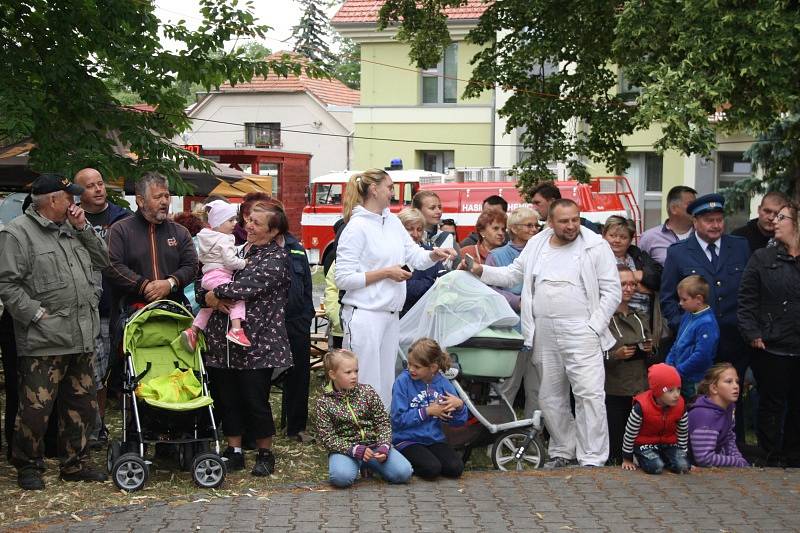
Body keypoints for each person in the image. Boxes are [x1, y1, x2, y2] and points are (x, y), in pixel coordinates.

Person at [470, 199, 621, 468]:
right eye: (564, 221)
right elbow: (513, 274)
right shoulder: (538, 243)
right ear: (550, 222)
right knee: (550, 395)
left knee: (589, 393)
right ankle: (563, 449)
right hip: (543, 330)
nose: (571, 225)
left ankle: (593, 458)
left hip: (582, 329)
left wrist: (594, 326)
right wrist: (480, 270)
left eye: (575, 219)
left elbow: (612, 291)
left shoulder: (596, 245)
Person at [0, 174, 110, 490]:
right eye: (69, 196)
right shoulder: (17, 234)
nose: (75, 202)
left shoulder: (73, 229)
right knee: (36, 408)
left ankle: (75, 464)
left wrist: (83, 228)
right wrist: (34, 314)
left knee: (82, 405)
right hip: (44, 339)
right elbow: (7, 283)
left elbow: (102, 260)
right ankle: (28, 466)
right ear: (52, 200)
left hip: (80, 333)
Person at [335, 170, 455, 407]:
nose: (393, 193)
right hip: (364, 313)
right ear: (374, 190)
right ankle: (358, 440)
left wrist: (434, 254)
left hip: (391, 315)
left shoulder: (391, 221)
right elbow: (343, 279)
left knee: (385, 382)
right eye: (390, 187)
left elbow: (414, 256)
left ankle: (381, 440)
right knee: (364, 383)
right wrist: (386, 273)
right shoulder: (356, 227)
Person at [201, 201, 293, 476]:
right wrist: (207, 293)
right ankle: (234, 451)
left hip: (257, 343)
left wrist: (212, 294)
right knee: (227, 399)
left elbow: (243, 288)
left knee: (256, 401)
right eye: (248, 220)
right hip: (223, 343)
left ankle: (265, 453)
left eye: (256, 223)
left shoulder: (276, 259)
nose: (248, 226)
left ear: (273, 230)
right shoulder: (238, 250)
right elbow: (203, 276)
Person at [660, 193, 750, 441]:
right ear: (695, 222)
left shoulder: (739, 246)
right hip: (695, 344)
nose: (716, 225)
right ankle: (694, 446)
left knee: (732, 395)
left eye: (719, 219)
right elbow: (668, 298)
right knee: (696, 395)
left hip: (733, 340)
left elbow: (749, 291)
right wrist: (686, 327)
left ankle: (733, 446)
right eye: (709, 220)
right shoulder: (679, 252)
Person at [737, 200, 800, 467]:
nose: (775, 221)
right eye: (773, 216)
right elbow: (747, 299)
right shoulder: (763, 257)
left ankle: (794, 453)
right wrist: (752, 332)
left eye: (782, 217)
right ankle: (770, 453)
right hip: (771, 345)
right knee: (770, 403)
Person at [105, 172, 198, 344]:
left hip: (173, 318)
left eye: (167, 195)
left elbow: (191, 266)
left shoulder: (180, 232)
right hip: (130, 319)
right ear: (140, 201)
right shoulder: (120, 230)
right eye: (157, 197)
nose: (164, 201)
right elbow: (111, 265)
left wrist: (170, 283)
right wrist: (143, 285)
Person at [74, 167, 131, 448]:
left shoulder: (121, 218)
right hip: (81, 308)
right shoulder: (69, 218)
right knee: (89, 373)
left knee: (109, 370)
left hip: (112, 305)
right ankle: (91, 427)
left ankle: (109, 427)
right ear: (78, 193)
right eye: (90, 186)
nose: (98, 189)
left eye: (100, 184)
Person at [315, 349, 413, 488]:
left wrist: (384, 445)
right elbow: (327, 437)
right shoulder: (323, 402)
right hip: (347, 451)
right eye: (348, 372)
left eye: (356, 371)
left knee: (404, 473)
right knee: (340, 478)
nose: (354, 376)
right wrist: (354, 450)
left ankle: (371, 466)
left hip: (375, 448)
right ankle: (354, 466)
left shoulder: (367, 392)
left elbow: (383, 422)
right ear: (332, 374)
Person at [487, 207, 541, 418]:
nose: (535, 229)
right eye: (529, 225)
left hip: (538, 329)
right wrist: (518, 302)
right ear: (514, 229)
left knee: (537, 388)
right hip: (512, 330)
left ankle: (532, 434)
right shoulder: (497, 256)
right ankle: (499, 433)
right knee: (506, 386)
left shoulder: (544, 252)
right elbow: (491, 289)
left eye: (537, 225)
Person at [391, 338, 467, 480]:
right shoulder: (402, 382)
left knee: (455, 468)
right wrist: (427, 411)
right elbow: (397, 420)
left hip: (434, 440)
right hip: (407, 441)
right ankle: (400, 461)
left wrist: (459, 406)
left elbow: (458, 422)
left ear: (432, 368)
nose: (411, 369)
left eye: (417, 367)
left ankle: (428, 460)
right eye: (409, 364)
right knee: (431, 469)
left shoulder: (444, 384)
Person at [182, 201, 250, 350]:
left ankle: (193, 331)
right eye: (230, 220)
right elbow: (230, 261)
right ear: (219, 222)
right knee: (237, 298)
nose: (235, 223)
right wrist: (244, 263)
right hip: (220, 275)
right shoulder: (225, 239)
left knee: (208, 307)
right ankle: (237, 330)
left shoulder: (208, 238)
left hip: (208, 277)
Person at [604, 265, 651, 464]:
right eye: (623, 284)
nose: (629, 288)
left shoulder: (639, 316)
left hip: (639, 386)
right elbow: (592, 356)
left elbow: (650, 343)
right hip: (614, 388)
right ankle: (615, 458)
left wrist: (649, 348)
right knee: (616, 435)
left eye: (633, 284)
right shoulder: (603, 317)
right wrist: (616, 355)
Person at [620, 363, 689, 475]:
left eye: (679, 389)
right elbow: (630, 433)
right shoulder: (641, 407)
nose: (677, 395)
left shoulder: (680, 406)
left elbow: (683, 432)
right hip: (644, 444)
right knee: (656, 467)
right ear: (657, 392)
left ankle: (666, 459)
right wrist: (627, 458)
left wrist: (683, 454)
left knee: (683, 466)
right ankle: (642, 458)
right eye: (670, 390)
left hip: (669, 444)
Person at [665, 275, 719, 400]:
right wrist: (669, 365)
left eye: (684, 299)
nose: (680, 303)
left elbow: (702, 355)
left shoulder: (707, 323)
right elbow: (677, 343)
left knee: (693, 410)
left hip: (694, 380)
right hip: (680, 376)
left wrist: (679, 371)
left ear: (699, 299)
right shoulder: (688, 314)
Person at [688, 363, 749, 467]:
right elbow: (704, 458)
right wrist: (736, 462)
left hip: (717, 457)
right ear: (714, 388)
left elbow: (728, 439)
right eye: (729, 382)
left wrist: (741, 462)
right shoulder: (704, 415)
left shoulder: (729, 407)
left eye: (737, 382)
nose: (736, 386)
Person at [602, 215, 662, 319]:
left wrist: (640, 276)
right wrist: (632, 284)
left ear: (630, 240)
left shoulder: (637, 255)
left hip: (645, 316)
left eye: (623, 237)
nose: (617, 240)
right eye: (612, 235)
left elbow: (660, 276)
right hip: (614, 317)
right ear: (604, 236)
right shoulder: (599, 258)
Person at [398, 208, 444, 316]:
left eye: (419, 229)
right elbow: (407, 290)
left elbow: (443, 284)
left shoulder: (431, 252)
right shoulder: (393, 254)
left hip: (426, 316)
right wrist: (431, 282)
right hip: (401, 316)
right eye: (409, 229)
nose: (415, 234)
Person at [638, 185, 697, 266]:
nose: (696, 208)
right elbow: (640, 270)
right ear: (674, 209)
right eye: (691, 204)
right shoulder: (649, 237)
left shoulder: (703, 235)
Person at [530, 181, 600, 233]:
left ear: (552, 201)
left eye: (537, 203)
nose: (534, 208)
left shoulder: (585, 226)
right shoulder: (540, 232)